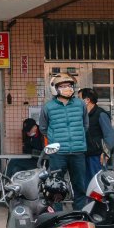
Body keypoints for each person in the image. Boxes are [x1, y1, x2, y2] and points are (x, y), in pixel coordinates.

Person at [39, 73, 89, 209]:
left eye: (69, 85)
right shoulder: (48, 107)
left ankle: (79, 215)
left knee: (79, 185)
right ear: (55, 89)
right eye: (63, 86)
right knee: (55, 186)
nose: (67, 88)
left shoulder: (80, 104)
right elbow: (43, 128)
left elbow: (85, 125)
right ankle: (57, 216)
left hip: (78, 151)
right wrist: (55, 139)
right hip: (58, 153)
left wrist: (75, 136)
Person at [78, 88, 114, 182]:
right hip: (83, 155)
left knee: (97, 183)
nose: (76, 101)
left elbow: (109, 135)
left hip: (97, 156)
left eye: (79, 98)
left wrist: (106, 153)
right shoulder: (82, 115)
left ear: (87, 100)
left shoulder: (100, 114)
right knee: (86, 184)